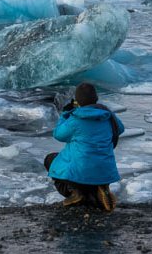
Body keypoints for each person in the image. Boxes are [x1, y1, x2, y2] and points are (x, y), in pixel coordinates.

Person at [43, 82, 124, 212]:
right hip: (104, 171)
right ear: (96, 98)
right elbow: (120, 128)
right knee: (89, 171)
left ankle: (75, 193)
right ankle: (101, 189)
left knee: (50, 159)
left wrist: (65, 114)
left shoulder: (75, 118)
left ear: (77, 100)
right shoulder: (107, 114)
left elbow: (58, 134)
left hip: (81, 171)